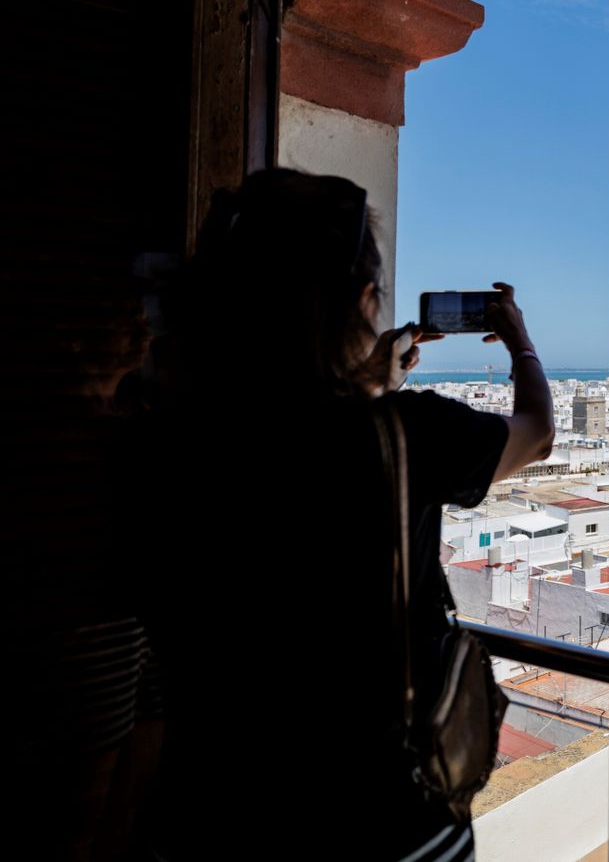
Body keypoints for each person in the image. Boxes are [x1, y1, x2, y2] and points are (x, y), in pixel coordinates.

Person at [137, 168, 554, 861]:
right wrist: (521, 341)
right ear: (363, 300)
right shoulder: (406, 434)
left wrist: (365, 380)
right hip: (381, 823)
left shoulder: (159, 444)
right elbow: (536, 432)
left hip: (208, 816)